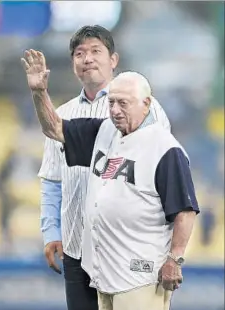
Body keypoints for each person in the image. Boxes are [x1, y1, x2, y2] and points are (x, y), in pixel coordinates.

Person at [21, 54, 200, 309]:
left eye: (123, 103)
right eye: (112, 102)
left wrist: (175, 260)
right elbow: (55, 129)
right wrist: (39, 92)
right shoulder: (105, 131)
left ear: (146, 104)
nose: (115, 110)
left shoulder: (164, 148)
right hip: (104, 276)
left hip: (141, 276)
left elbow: (185, 211)